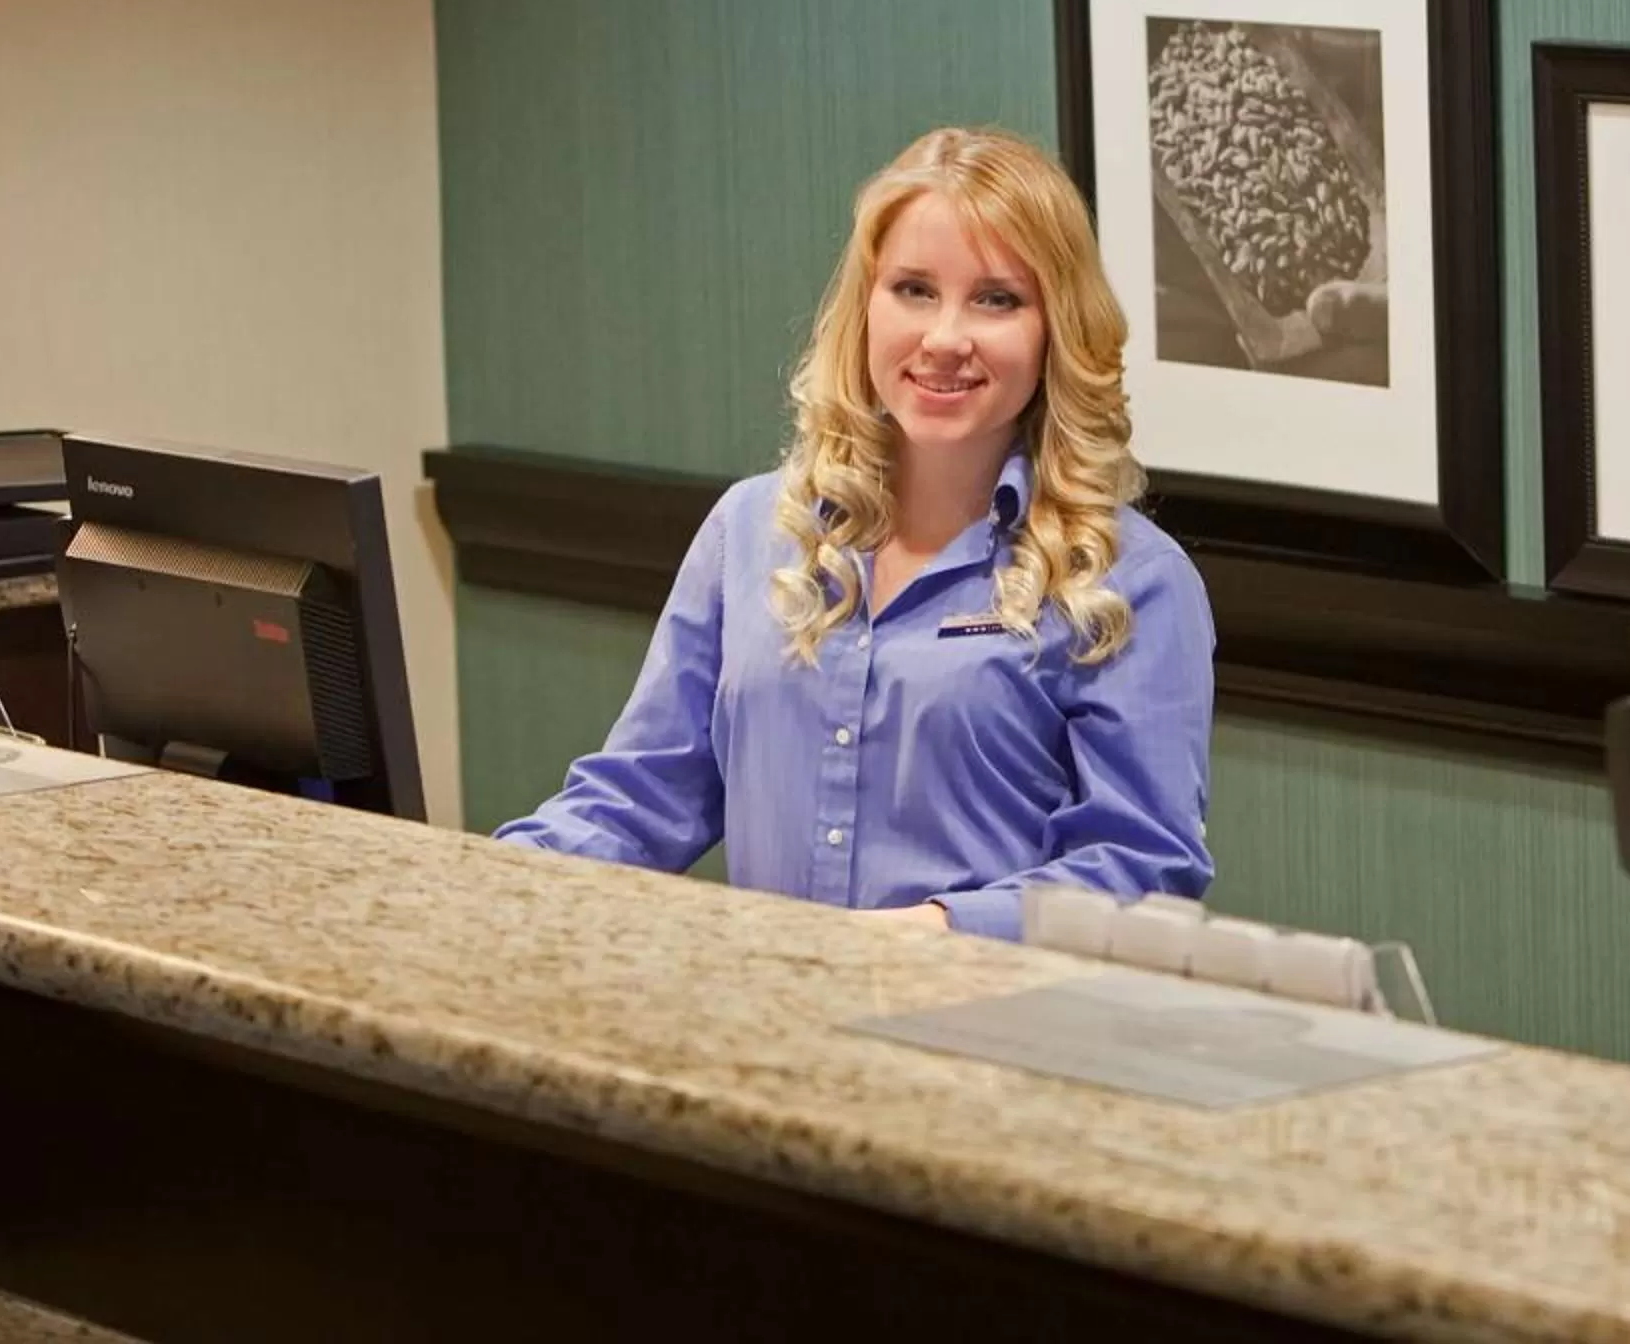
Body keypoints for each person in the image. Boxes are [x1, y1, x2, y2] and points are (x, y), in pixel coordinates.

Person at [491, 126, 1215, 936]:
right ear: (865, 306)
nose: (944, 338)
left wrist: (928, 934)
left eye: (996, 299)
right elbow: (640, 797)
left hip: (991, 1042)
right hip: (770, 1028)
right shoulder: (754, 530)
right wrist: (476, 887)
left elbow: (1142, 870)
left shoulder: (1131, 581)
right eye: (912, 289)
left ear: (1056, 329)